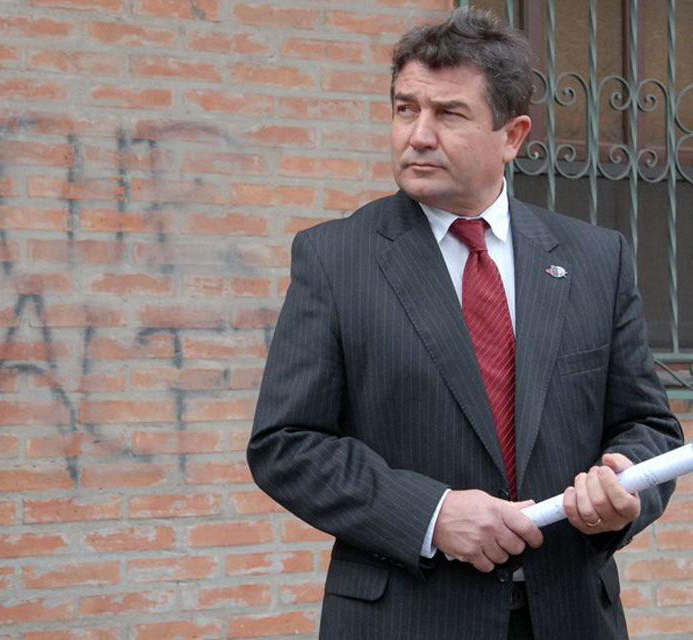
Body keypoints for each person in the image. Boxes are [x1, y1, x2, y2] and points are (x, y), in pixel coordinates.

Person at [247, 9, 683, 640]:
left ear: (513, 136)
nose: (418, 135)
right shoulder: (336, 258)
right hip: (406, 618)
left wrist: (624, 487)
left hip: (571, 614)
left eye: (449, 114)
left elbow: (649, 426)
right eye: (405, 109)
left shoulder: (596, 258)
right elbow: (286, 443)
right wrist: (432, 514)